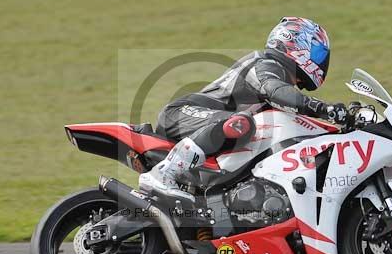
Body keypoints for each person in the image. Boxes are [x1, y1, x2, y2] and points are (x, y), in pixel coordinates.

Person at [139, 17, 349, 202]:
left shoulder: (282, 82)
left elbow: (294, 109)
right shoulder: (265, 64)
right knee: (243, 124)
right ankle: (164, 173)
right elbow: (275, 90)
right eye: (317, 52)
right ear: (294, 44)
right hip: (182, 113)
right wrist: (321, 107)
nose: (321, 61)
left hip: (207, 124)